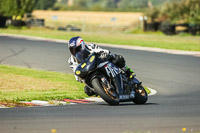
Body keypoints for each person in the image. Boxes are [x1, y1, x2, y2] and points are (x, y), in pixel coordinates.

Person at [68, 36, 135, 96]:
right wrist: (79, 77)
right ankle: (103, 90)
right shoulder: (71, 60)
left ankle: (128, 71)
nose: (75, 51)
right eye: (72, 50)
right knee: (88, 91)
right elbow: (76, 72)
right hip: (89, 73)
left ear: (82, 45)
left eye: (77, 49)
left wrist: (104, 54)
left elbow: (104, 51)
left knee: (117, 58)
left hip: (100, 64)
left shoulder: (91, 46)